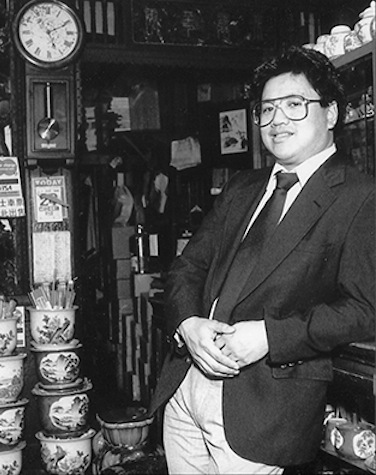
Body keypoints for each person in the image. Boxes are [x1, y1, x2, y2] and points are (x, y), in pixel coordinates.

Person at [149, 46, 375, 474]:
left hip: (262, 412)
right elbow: (188, 268)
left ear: (331, 114)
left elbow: (365, 310)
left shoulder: (361, 198)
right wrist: (186, 324)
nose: (276, 121)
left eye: (294, 105)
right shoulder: (243, 188)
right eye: (266, 110)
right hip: (186, 389)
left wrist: (270, 336)